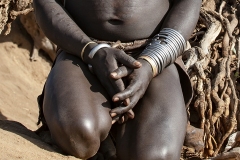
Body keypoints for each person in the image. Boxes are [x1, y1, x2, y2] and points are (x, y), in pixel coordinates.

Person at [33, 0, 201, 159]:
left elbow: (188, 4)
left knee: (156, 156)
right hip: (81, 52)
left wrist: (151, 63)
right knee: (79, 135)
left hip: (152, 55)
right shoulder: (85, 51)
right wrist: (91, 51)